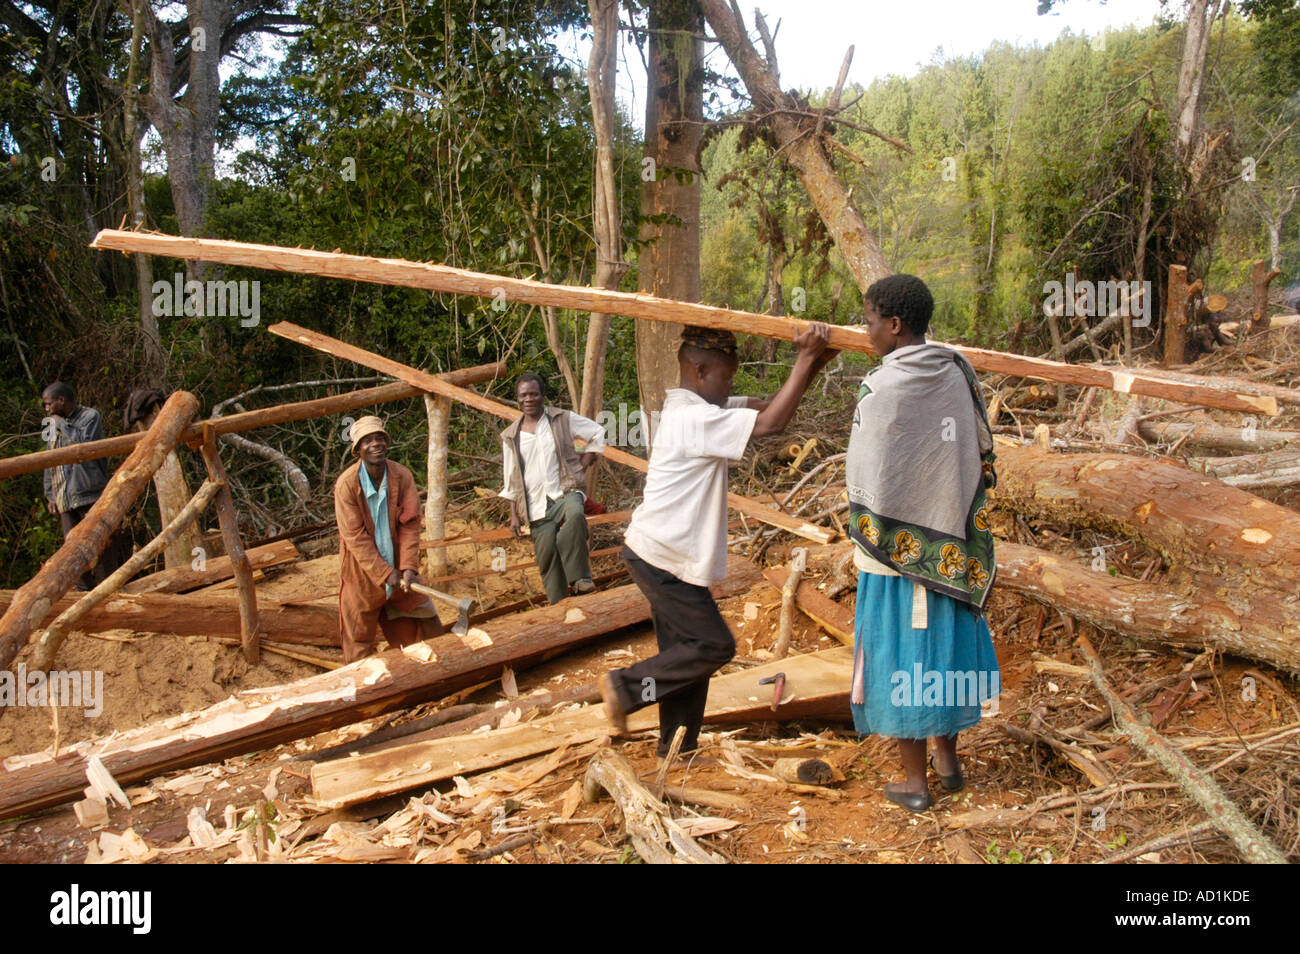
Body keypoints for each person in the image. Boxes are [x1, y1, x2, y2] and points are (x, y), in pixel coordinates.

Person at [599, 323, 835, 760]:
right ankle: (625, 688)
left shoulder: (706, 405)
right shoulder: (693, 417)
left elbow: (772, 408)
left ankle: (677, 747)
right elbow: (772, 422)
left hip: (668, 556)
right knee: (713, 646)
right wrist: (804, 359)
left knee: (685, 654)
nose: (731, 387)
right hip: (660, 555)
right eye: (726, 377)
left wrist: (814, 365)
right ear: (700, 370)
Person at [845, 274, 1000, 813]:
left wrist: (875, 521)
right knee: (944, 657)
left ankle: (915, 784)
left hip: (896, 560)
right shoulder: (956, 371)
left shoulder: (881, 389)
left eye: (869, 321)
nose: (866, 332)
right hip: (952, 544)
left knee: (902, 659)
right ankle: (949, 764)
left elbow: (867, 476)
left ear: (893, 324)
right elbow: (977, 449)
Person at [334, 415, 445, 662]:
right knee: (358, 639)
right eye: (368, 441)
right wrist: (385, 573)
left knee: (427, 627)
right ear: (357, 450)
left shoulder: (401, 477)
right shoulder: (347, 486)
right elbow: (355, 537)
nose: (376, 444)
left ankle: (436, 676)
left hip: (398, 568)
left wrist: (406, 567)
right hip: (361, 573)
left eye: (380, 439)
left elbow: (410, 525)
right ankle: (366, 689)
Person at [499, 373, 607, 604]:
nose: (529, 399)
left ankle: (580, 579)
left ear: (542, 396)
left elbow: (597, 432)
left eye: (534, 394)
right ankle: (559, 606)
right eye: (524, 395)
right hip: (535, 503)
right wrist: (513, 515)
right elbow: (510, 479)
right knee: (547, 557)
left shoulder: (561, 419)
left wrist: (584, 463)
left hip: (564, 491)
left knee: (576, 514)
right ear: (518, 399)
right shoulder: (511, 436)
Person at [41, 382, 120, 590]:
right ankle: (81, 594)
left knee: (101, 545)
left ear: (61, 400)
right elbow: (48, 460)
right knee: (72, 551)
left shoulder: (89, 417)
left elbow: (81, 450)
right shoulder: (51, 424)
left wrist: (60, 424)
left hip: (90, 494)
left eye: (49, 404)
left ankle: (108, 590)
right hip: (65, 497)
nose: (46, 409)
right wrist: (50, 494)